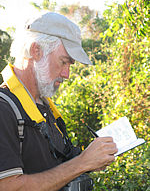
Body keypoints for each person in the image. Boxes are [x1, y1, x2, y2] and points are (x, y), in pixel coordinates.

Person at [0, 12, 118, 191]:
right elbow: (9, 187)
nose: (67, 74)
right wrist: (81, 163)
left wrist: (91, 160)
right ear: (36, 50)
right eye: (64, 62)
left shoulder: (43, 106)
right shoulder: (4, 109)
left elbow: (52, 170)